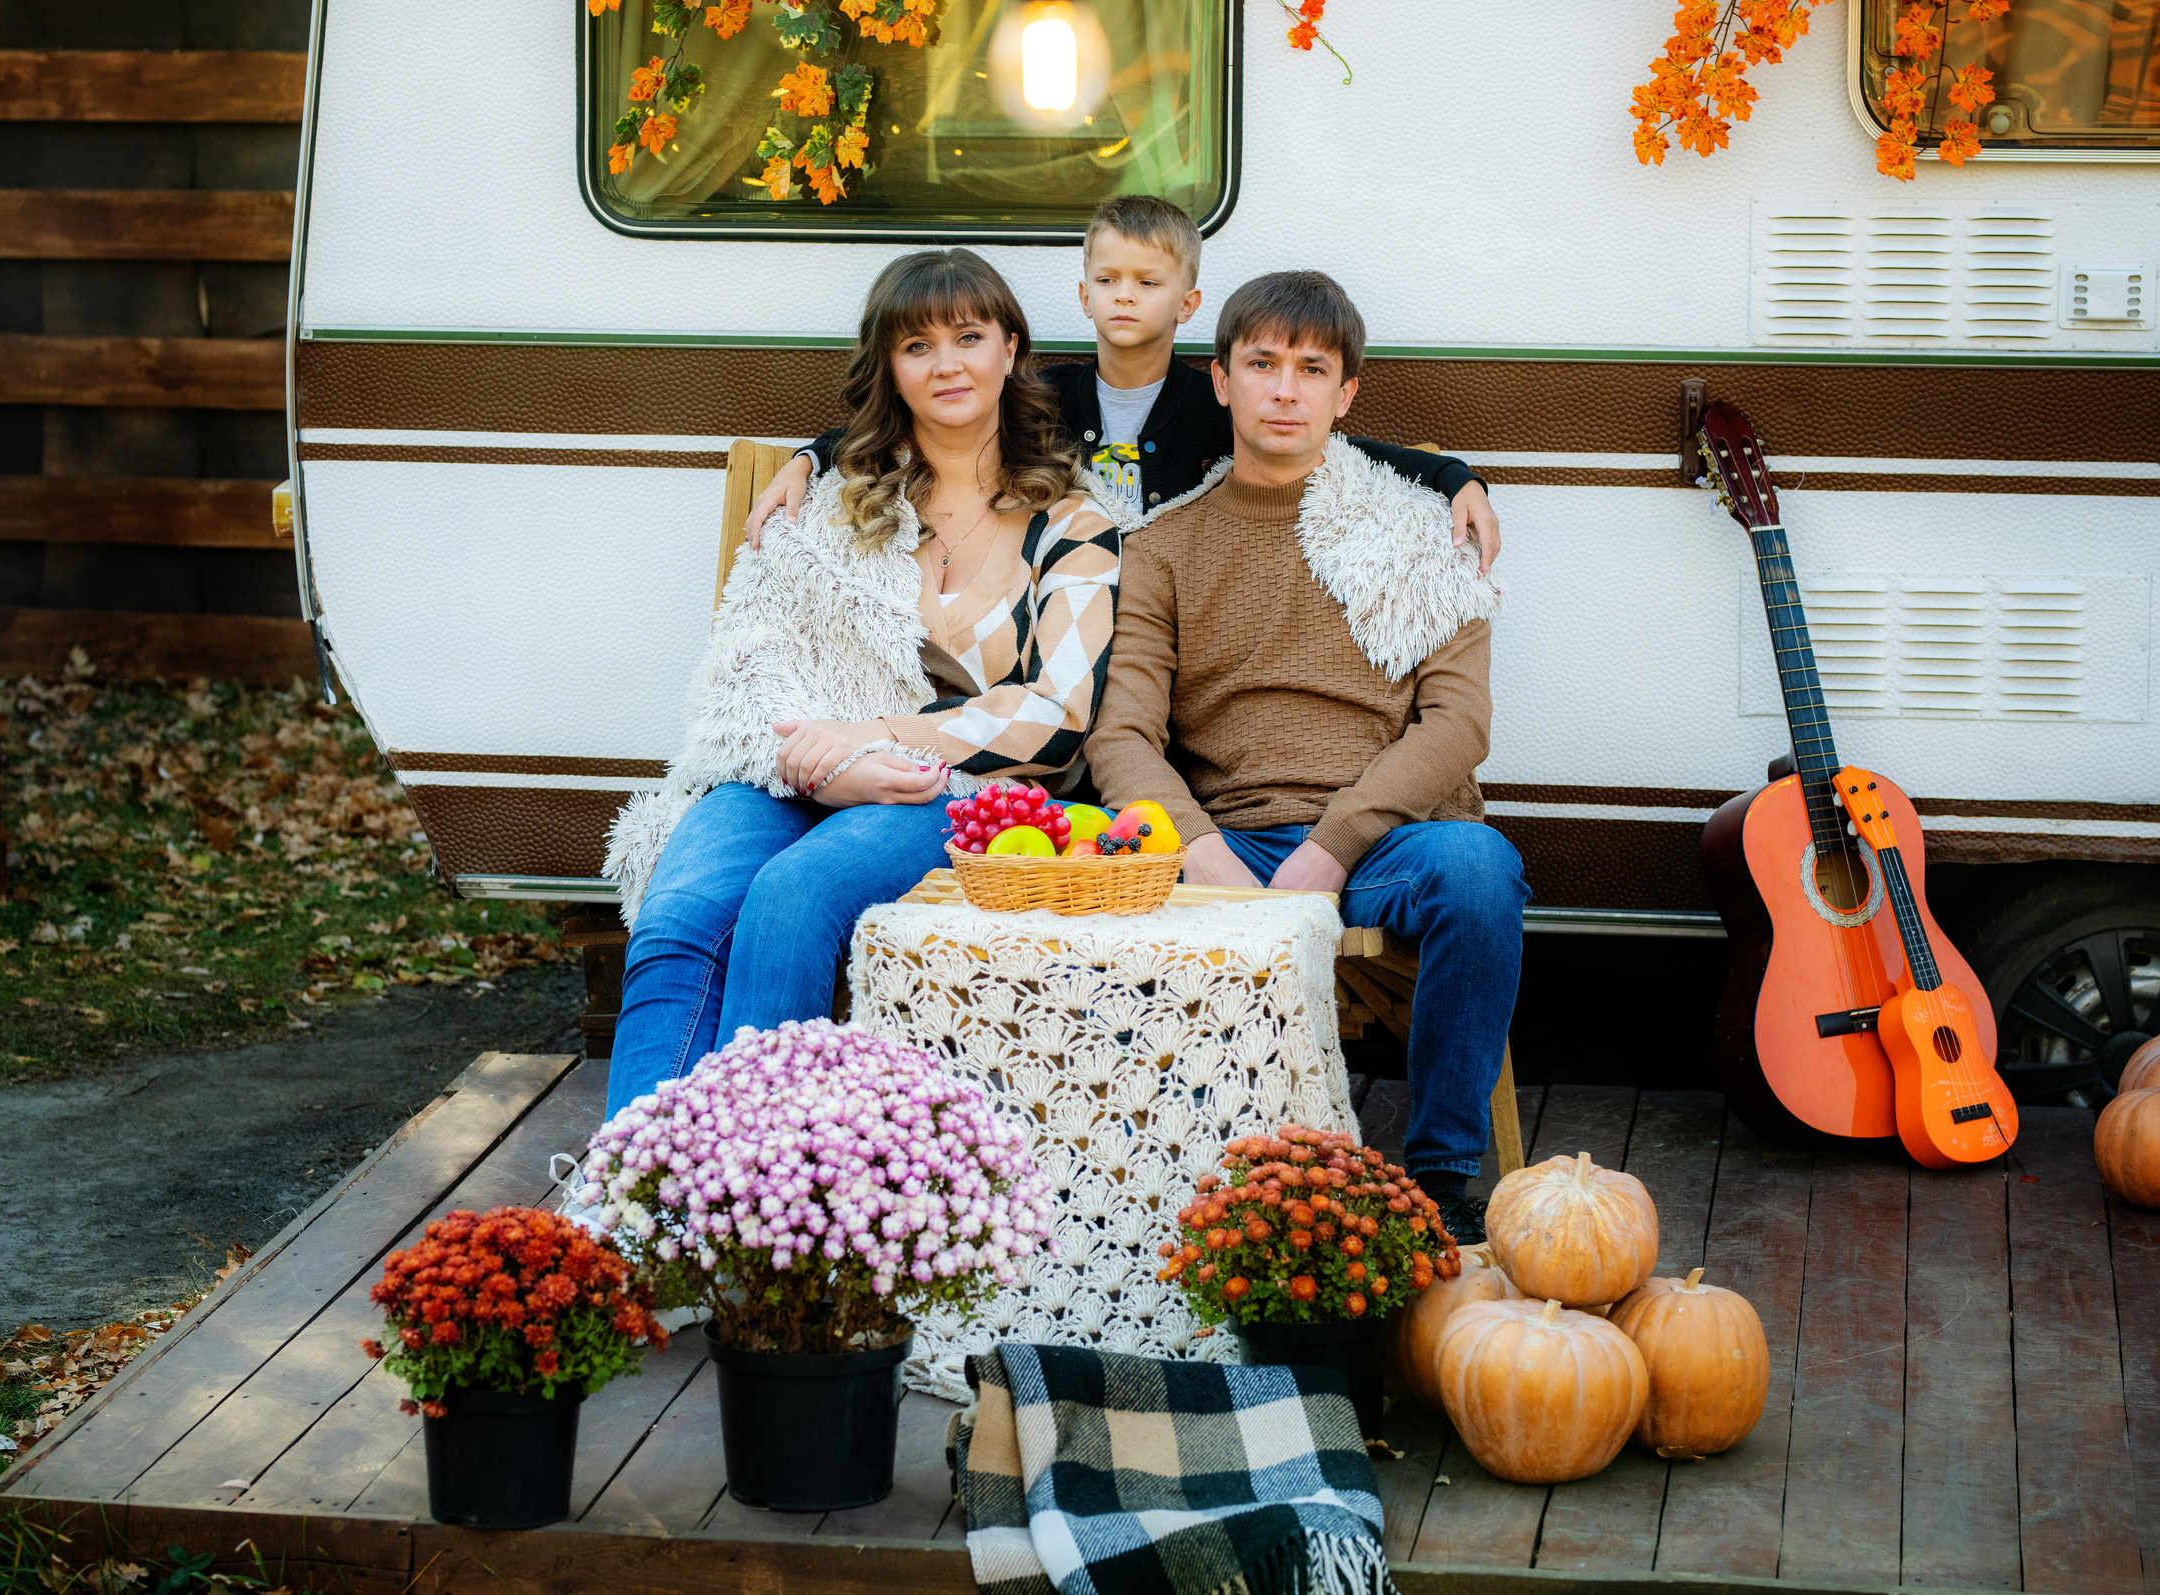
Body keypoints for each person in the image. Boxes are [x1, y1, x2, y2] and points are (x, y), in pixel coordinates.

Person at [599, 248, 1122, 1121]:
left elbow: (1056, 717)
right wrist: (819, 763)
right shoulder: (833, 501)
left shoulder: (1074, 521)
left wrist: (872, 739)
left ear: (1010, 350)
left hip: (953, 789)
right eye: (917, 346)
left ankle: (752, 1186)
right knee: (678, 917)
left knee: (791, 895)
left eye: (969, 336)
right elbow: (746, 663)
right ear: (889, 367)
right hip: (794, 767)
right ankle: (632, 1197)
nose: (947, 362)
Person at [1084, 270, 1524, 1240]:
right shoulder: (1159, 550)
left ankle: (1442, 1179)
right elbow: (1120, 733)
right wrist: (1201, 856)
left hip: (1381, 845)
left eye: (1311, 369)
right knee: (1093, 894)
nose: (1285, 390)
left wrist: (1330, 850)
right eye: (1263, 365)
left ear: (1346, 394)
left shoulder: (1421, 535)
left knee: (1482, 872)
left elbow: (1457, 725)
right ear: (1221, 381)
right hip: (1223, 843)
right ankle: (1159, 1176)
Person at [742, 195, 1502, 572]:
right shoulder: (1044, 395)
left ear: (1189, 303)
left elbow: (1335, 442)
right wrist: (813, 456)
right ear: (1083, 296)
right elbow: (924, 418)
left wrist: (1455, 476)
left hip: (1166, 600)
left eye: (1148, 280)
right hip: (1059, 595)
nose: (1126, 295)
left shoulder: (1215, 401)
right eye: (1107, 278)